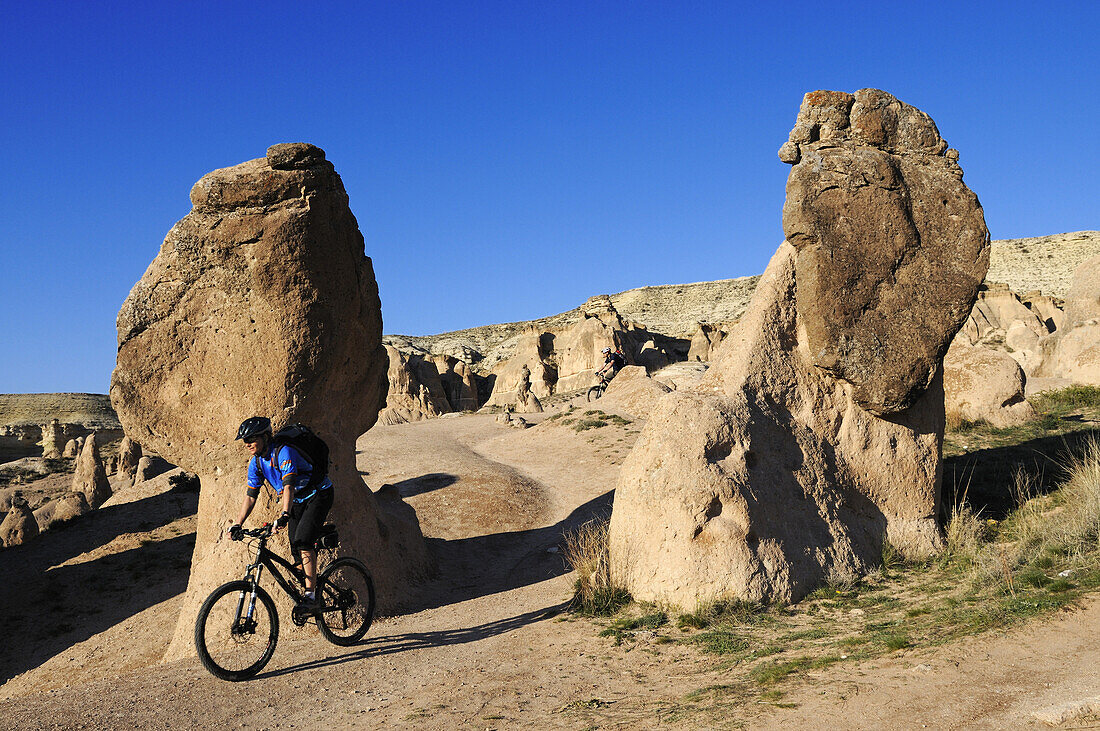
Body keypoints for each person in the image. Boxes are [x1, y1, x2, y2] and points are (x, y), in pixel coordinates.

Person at [227, 416, 333, 611]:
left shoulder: (285, 452)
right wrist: (238, 524)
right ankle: (310, 587)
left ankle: (311, 597)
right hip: (297, 502)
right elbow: (251, 496)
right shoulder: (256, 464)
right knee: (295, 548)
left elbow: (288, 485)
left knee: (303, 540)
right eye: (245, 441)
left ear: (266, 437)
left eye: (252, 439)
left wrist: (285, 514)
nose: (247, 444)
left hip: (318, 494)